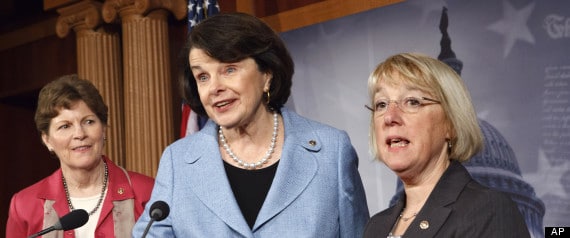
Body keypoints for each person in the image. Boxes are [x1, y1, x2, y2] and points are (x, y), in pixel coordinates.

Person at [132, 12, 369, 237]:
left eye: (229, 69)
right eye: (202, 77)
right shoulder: (178, 161)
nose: (214, 88)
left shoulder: (331, 151)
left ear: (266, 74)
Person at [362, 53, 529, 238]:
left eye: (412, 101)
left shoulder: (489, 211)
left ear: (451, 123)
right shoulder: (375, 227)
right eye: (381, 104)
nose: (389, 117)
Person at [6, 75, 155, 238]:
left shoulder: (147, 192)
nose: (79, 134)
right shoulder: (24, 205)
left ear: (103, 128)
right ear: (47, 139)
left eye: (89, 122)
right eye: (65, 126)